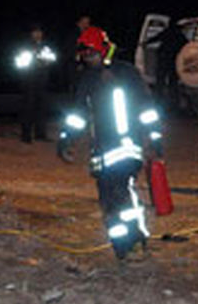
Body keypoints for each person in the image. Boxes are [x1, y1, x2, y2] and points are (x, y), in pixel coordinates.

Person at [58, 26, 163, 260]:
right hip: (103, 152)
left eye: (92, 54)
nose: (89, 59)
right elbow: (77, 115)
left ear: (104, 50)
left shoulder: (127, 73)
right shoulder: (88, 80)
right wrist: (67, 139)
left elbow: (147, 109)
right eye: (86, 56)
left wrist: (154, 139)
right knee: (109, 201)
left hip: (127, 149)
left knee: (121, 196)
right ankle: (122, 247)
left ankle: (135, 241)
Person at [14, 24, 58, 143]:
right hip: (28, 80)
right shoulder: (24, 47)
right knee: (28, 107)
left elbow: (53, 58)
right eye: (35, 32)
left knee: (42, 106)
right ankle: (26, 135)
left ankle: (41, 133)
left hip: (42, 79)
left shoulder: (45, 46)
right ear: (31, 34)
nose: (37, 35)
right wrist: (32, 60)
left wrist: (45, 60)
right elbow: (19, 63)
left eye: (39, 32)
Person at [151, 21, 188, 107]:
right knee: (173, 82)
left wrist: (144, 43)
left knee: (160, 81)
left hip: (164, 60)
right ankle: (173, 101)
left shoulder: (167, 33)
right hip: (172, 61)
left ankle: (159, 100)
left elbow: (155, 38)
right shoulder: (179, 35)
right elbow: (187, 44)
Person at [61, 15, 91, 96]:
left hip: (84, 65)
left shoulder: (86, 34)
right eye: (85, 22)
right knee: (77, 87)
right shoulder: (73, 34)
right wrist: (79, 63)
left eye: (88, 23)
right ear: (79, 22)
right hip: (74, 65)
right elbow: (71, 51)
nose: (87, 25)